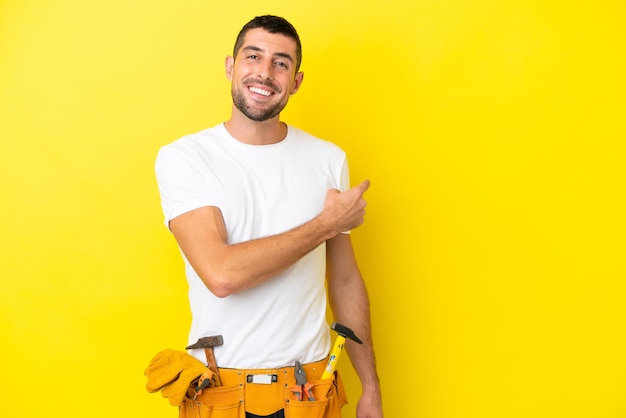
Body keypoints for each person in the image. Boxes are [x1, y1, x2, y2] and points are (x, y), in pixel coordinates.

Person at [155, 15, 383, 418]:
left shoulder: (328, 159)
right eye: (253, 56)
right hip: (221, 391)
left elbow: (345, 278)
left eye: (281, 62)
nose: (264, 72)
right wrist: (326, 223)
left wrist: (370, 388)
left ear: (296, 81)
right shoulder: (185, 158)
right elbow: (222, 275)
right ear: (231, 66)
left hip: (309, 392)